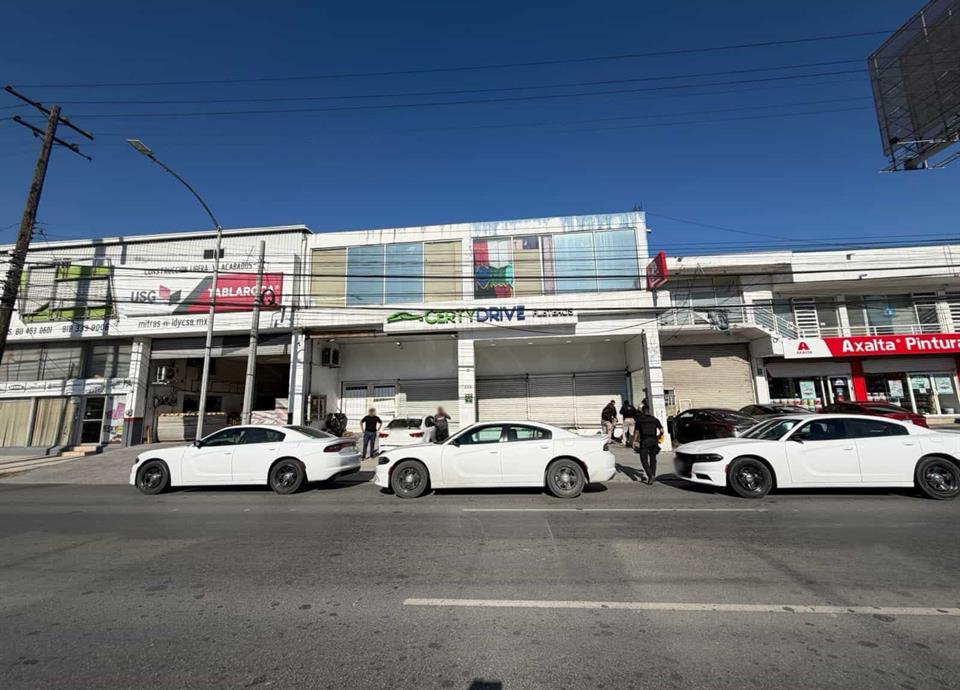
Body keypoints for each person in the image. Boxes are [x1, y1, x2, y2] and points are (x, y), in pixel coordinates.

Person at [632, 405, 664, 485]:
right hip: (654, 441)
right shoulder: (655, 419)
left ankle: (650, 475)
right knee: (653, 459)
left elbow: (636, 432)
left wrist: (634, 441)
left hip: (644, 441)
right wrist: (659, 436)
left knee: (644, 459)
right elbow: (662, 430)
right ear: (649, 411)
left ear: (642, 411)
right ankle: (653, 475)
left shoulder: (639, 420)